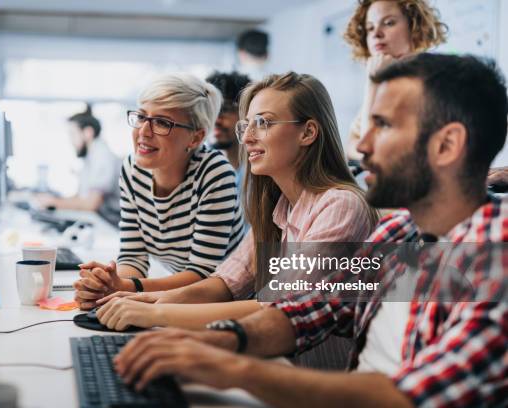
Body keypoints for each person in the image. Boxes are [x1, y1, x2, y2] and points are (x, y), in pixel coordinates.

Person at [113, 54, 508, 407]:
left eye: (383, 126)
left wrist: (232, 368)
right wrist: (217, 340)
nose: (363, 145)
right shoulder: (400, 234)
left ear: (447, 145)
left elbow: (408, 397)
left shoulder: (495, 257)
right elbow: (314, 309)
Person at [93, 72, 378, 331]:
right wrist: (141, 299)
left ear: (308, 133)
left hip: (318, 378)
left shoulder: (340, 206)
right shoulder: (278, 207)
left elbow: (281, 308)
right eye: (247, 125)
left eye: (263, 123)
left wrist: (156, 313)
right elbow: (225, 283)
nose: (248, 138)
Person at [73, 74, 245, 307]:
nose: (143, 131)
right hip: (177, 298)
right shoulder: (132, 169)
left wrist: (126, 288)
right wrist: (109, 285)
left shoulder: (215, 173)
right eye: (142, 117)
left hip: (223, 301)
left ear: (196, 137)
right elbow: (133, 256)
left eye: (162, 122)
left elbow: (202, 273)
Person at [343, 0, 447, 161]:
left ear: (415, 28)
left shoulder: (432, 82)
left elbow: (372, 150)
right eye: (370, 28)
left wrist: (373, 81)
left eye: (389, 23)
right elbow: (353, 145)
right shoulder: (387, 81)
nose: (376, 33)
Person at [36, 105, 122, 226]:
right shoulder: (91, 156)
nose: (71, 141)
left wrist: (54, 202)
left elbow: (90, 204)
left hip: (110, 226)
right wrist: (54, 201)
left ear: (88, 133)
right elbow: (81, 197)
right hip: (100, 221)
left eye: (72, 134)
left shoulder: (102, 157)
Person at [205, 71, 251, 191]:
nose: (215, 120)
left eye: (224, 110)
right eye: (209, 111)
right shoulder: (195, 165)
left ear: (246, 112)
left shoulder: (260, 173)